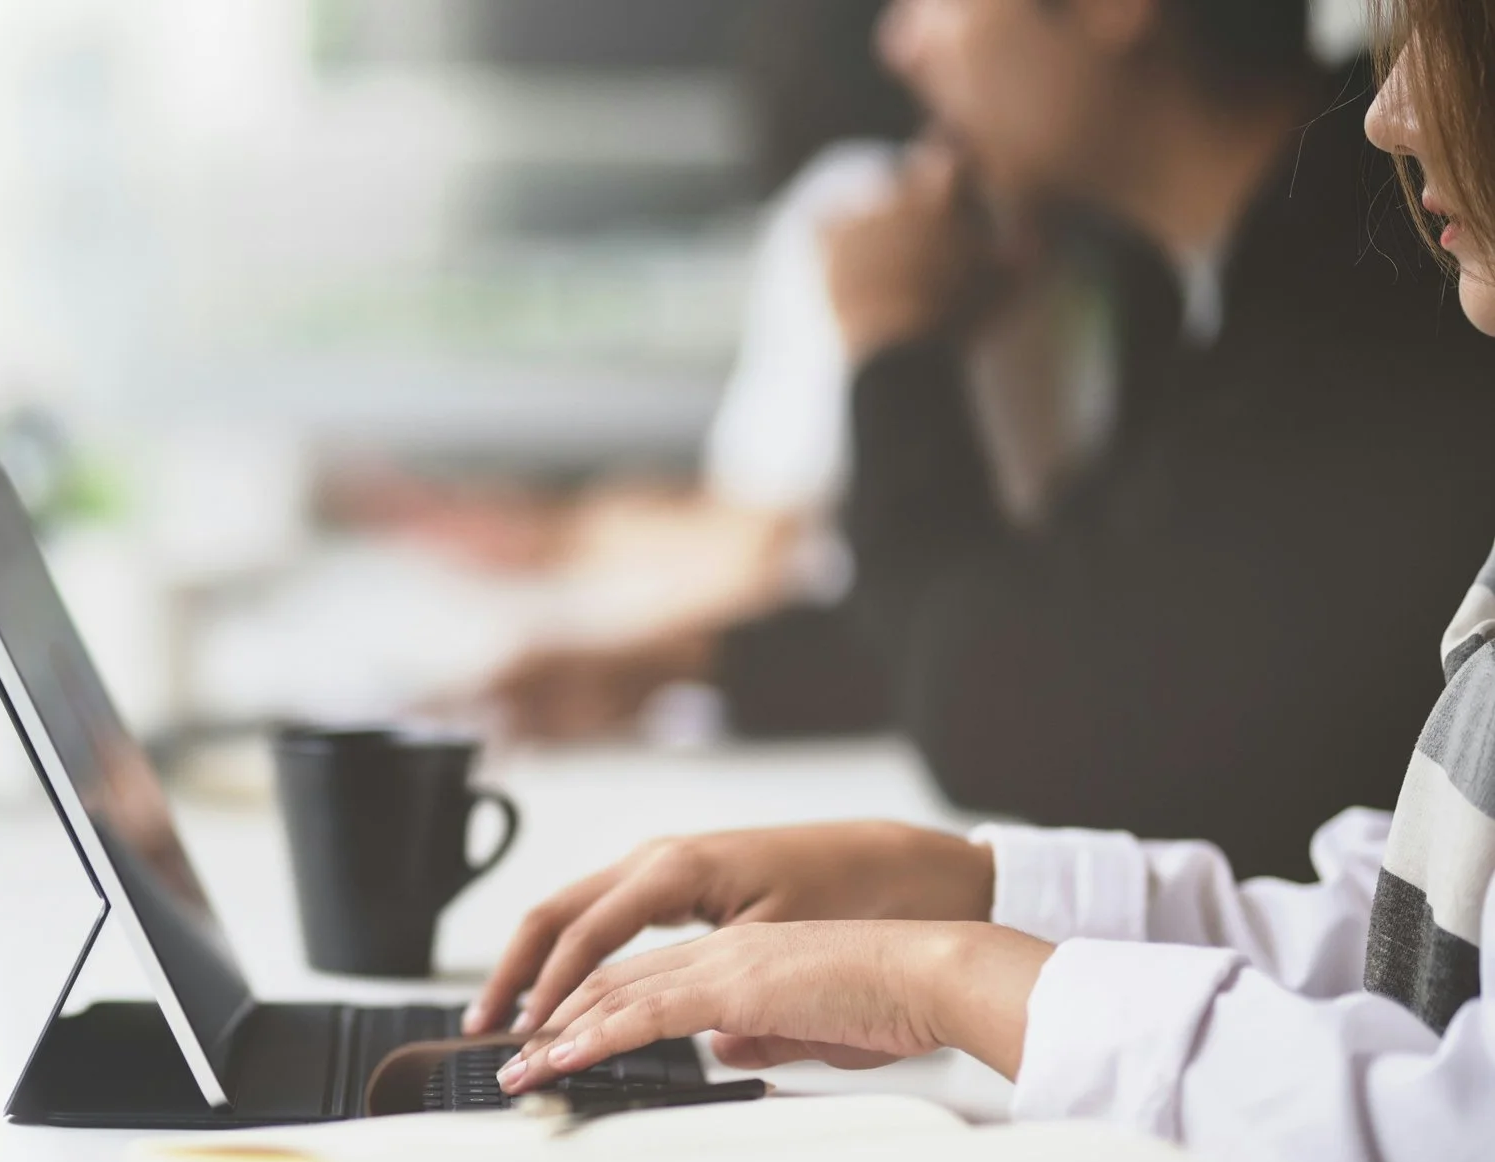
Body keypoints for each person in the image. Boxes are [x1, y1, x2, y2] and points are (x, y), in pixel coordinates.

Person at [466, 2, 1495, 1162]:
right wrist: (957, 887)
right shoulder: (1187, 282)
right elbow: (1415, 946)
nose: (1384, 114)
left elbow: (1022, 693)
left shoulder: (1360, 301)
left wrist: (945, 976)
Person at [487, 0, 1495, 882]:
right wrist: (693, 661)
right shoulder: (1204, 269)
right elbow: (1088, 612)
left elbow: (1006, 707)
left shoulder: (1379, 284)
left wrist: (892, 346)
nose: (898, 41)